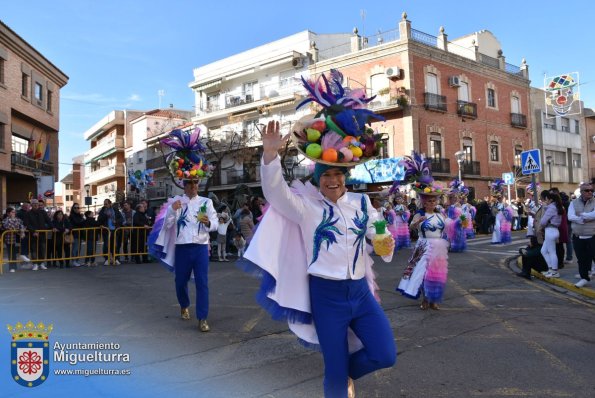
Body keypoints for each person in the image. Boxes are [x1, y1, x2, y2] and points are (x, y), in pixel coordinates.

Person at [244, 120, 396, 398]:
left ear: (345, 177)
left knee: (385, 354)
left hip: (361, 293)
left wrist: (385, 243)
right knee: (334, 374)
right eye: (326, 175)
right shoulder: (306, 208)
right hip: (327, 296)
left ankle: (346, 373)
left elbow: (378, 234)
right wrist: (269, 154)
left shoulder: (362, 203)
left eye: (338, 174)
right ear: (318, 178)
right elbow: (275, 192)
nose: (332, 180)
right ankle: (339, 377)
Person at [150, 179, 219, 332]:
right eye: (189, 184)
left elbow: (215, 224)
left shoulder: (206, 202)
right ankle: (184, 305)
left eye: (195, 184)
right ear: (185, 187)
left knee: (202, 282)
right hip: (182, 248)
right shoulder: (177, 202)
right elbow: (167, 225)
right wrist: (172, 210)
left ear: (198, 186)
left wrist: (208, 223)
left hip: (201, 247)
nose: (193, 187)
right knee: (180, 281)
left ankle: (202, 318)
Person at [393, 153, 449, 311]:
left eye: (434, 200)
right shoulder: (419, 214)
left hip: (438, 247)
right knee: (422, 274)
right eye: (429, 200)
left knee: (436, 275)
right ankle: (425, 299)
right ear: (424, 201)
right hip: (423, 246)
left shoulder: (441, 214)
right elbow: (411, 228)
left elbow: (447, 228)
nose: (432, 202)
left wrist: (460, 223)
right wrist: (417, 222)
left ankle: (433, 300)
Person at [567, 183, 595, 288]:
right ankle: (584, 278)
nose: (590, 192)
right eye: (587, 190)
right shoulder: (573, 203)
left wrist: (582, 215)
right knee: (581, 259)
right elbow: (570, 216)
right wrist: (583, 219)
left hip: (592, 235)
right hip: (578, 236)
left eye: (591, 190)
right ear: (582, 192)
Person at [23, 199, 51, 270]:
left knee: (42, 249)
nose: (36, 205)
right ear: (31, 205)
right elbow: (26, 224)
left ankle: (41, 263)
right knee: (34, 250)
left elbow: (48, 221)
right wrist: (33, 231)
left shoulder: (43, 212)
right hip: (33, 235)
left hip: (42, 234)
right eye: (34, 204)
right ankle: (35, 264)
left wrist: (53, 227)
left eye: (37, 203)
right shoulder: (28, 213)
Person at [97, 199, 124, 265]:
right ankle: (107, 259)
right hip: (107, 231)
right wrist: (106, 215)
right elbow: (99, 220)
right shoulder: (102, 211)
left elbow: (121, 219)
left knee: (115, 245)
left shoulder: (115, 210)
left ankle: (116, 258)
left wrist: (116, 221)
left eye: (106, 204)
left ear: (110, 204)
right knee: (106, 245)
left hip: (115, 230)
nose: (105, 205)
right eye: (104, 204)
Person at [2, 207, 26, 272]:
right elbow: (9, 227)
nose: (14, 213)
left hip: (17, 238)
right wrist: (17, 227)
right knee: (11, 253)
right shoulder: (5, 220)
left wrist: (21, 230)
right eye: (12, 212)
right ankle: (11, 267)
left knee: (15, 253)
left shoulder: (18, 219)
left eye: (14, 212)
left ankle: (14, 266)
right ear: (8, 213)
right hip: (9, 238)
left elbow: (21, 225)